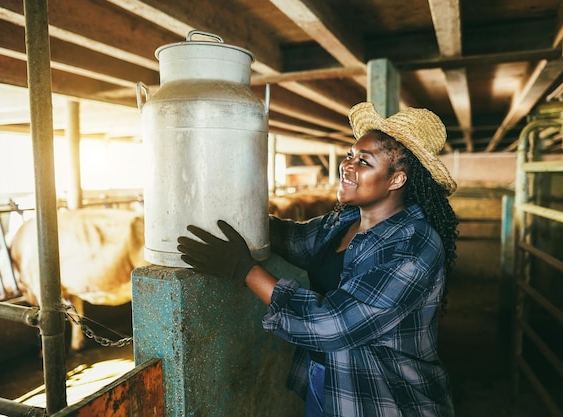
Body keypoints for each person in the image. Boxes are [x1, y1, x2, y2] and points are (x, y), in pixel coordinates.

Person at [177, 101, 459, 417]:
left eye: (364, 162)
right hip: (327, 378)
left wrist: (243, 268)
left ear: (397, 180)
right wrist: (241, 217)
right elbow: (295, 239)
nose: (347, 165)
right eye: (350, 155)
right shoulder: (343, 222)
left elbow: (334, 324)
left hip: (382, 397)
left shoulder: (414, 244)